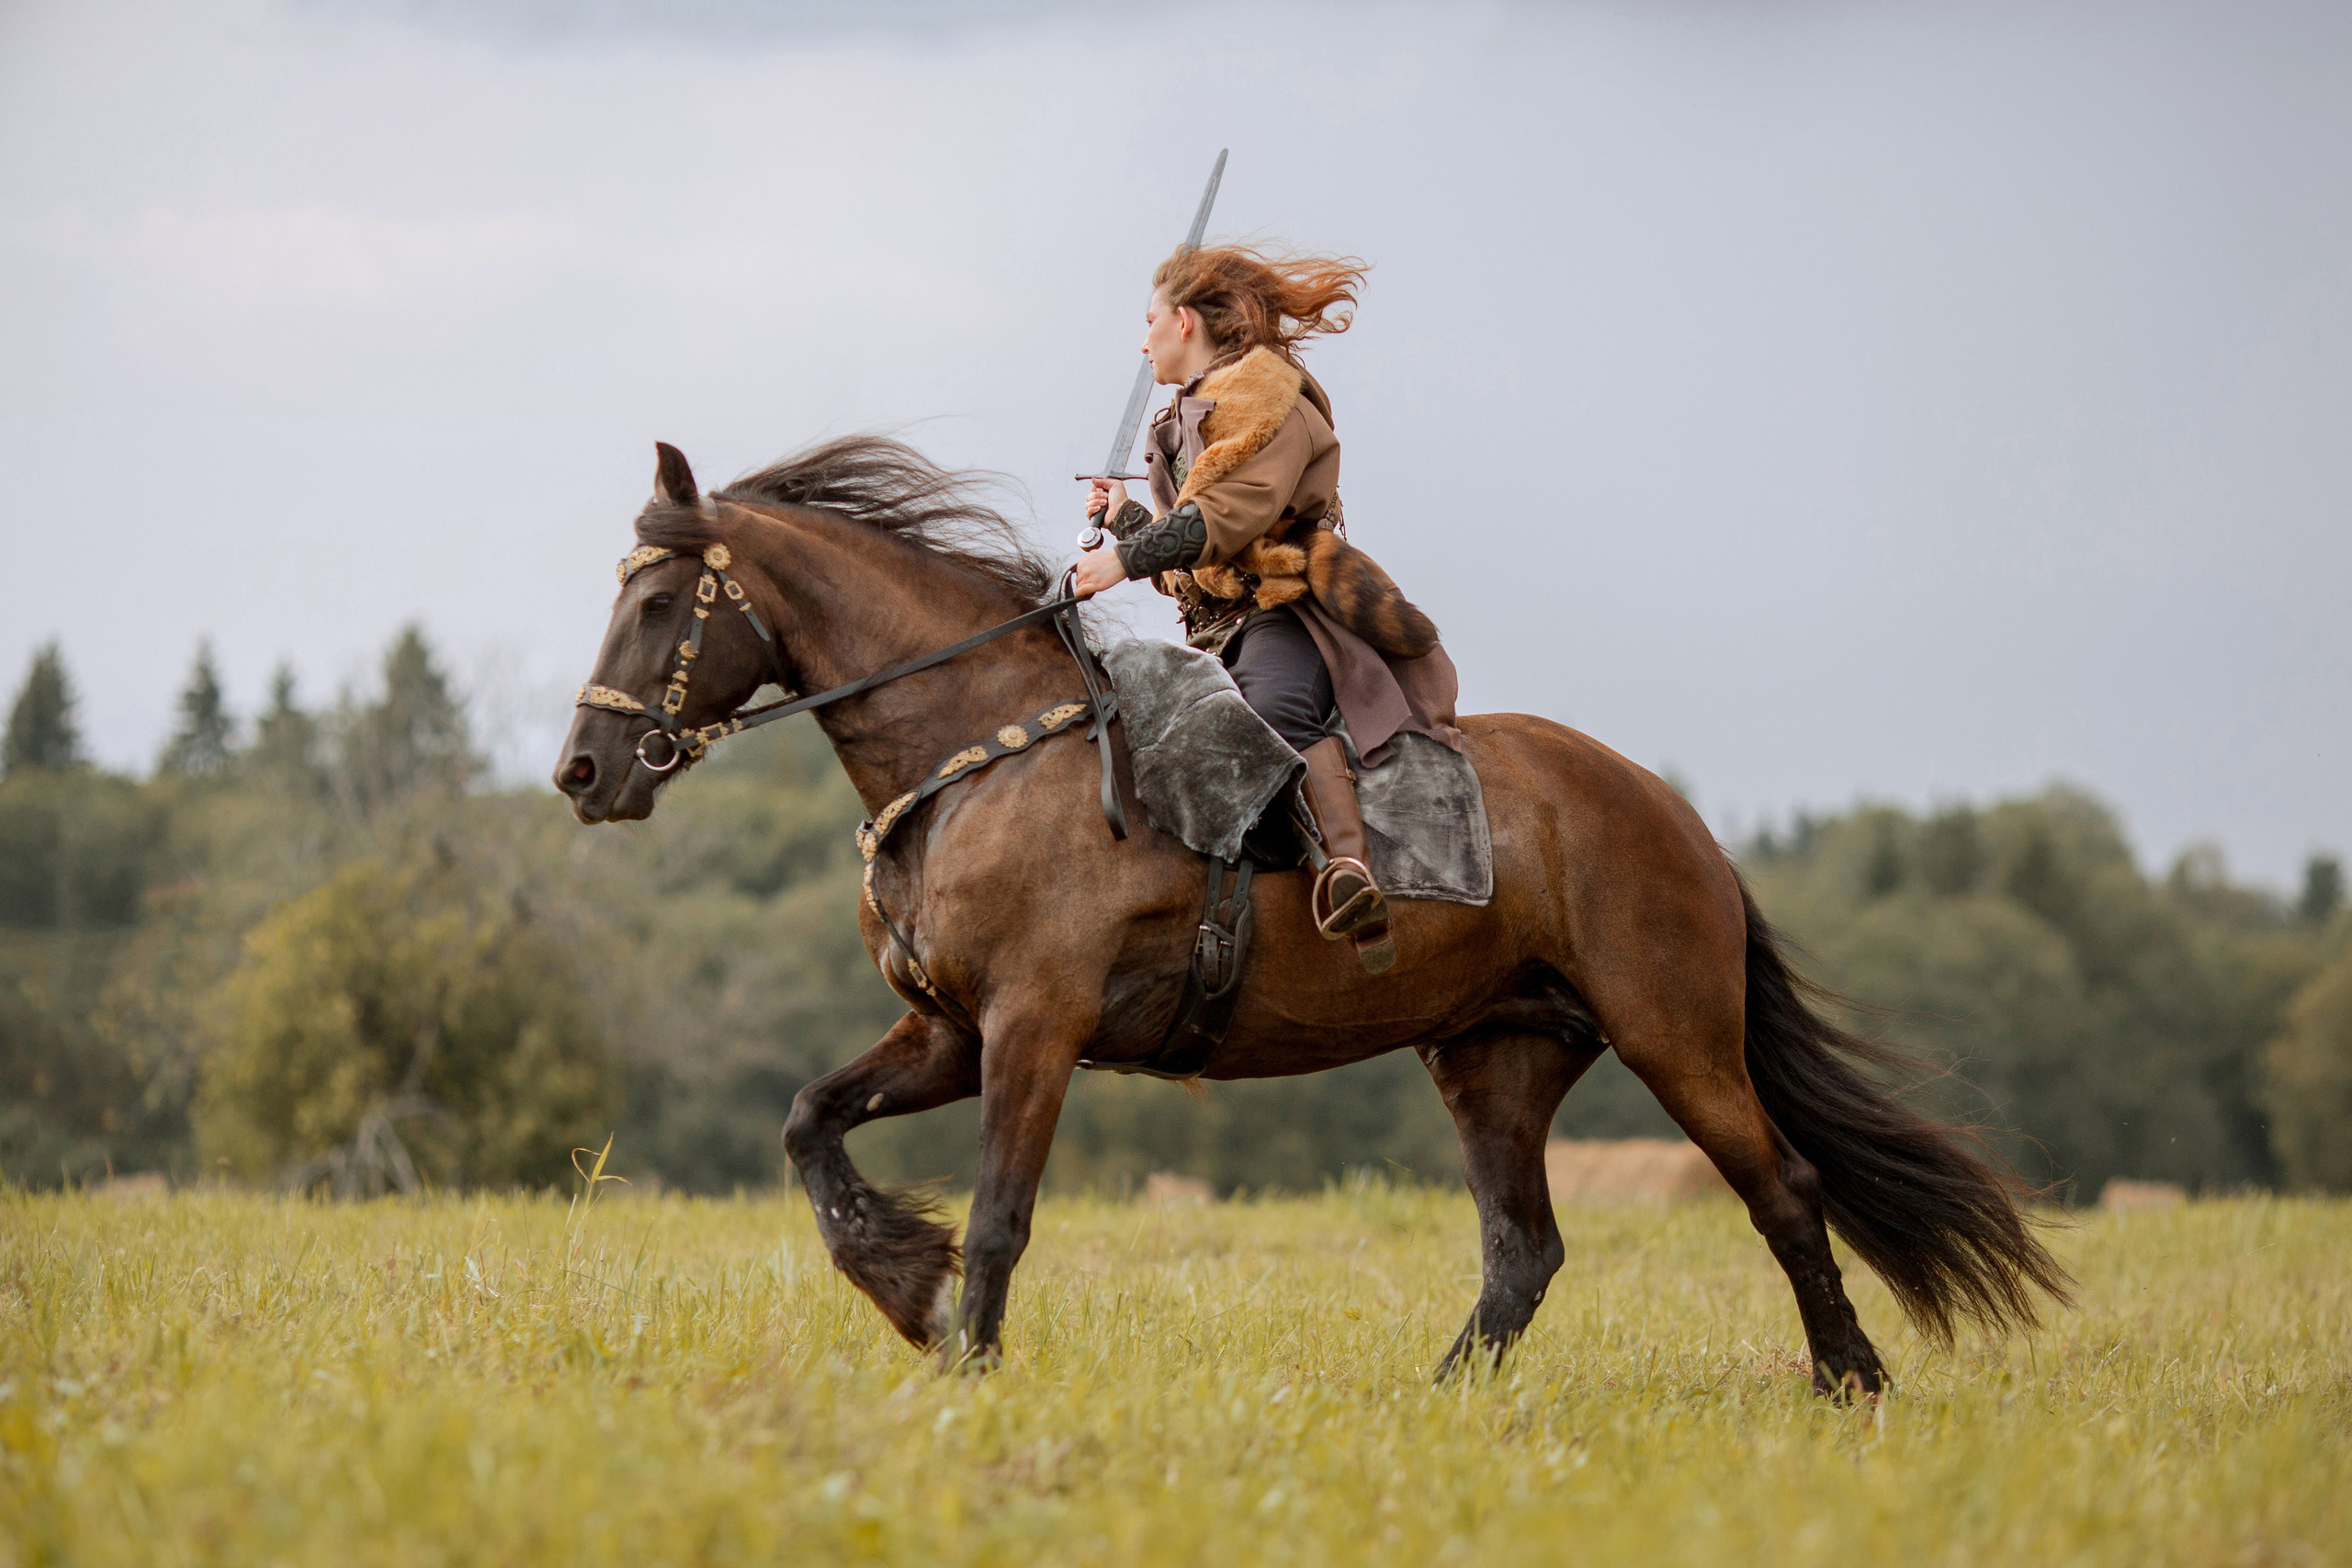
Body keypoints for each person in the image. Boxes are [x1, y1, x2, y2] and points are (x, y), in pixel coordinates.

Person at [1071, 243, 1462, 975]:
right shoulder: (1173, 426)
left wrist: (1123, 557)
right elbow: (1191, 566)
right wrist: (1129, 521)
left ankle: (1347, 871)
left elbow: (1232, 514)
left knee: (1273, 719)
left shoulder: (1265, 390)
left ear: (1183, 320)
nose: (1142, 338)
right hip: (1217, 630)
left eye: (1149, 320)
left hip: (1288, 610)